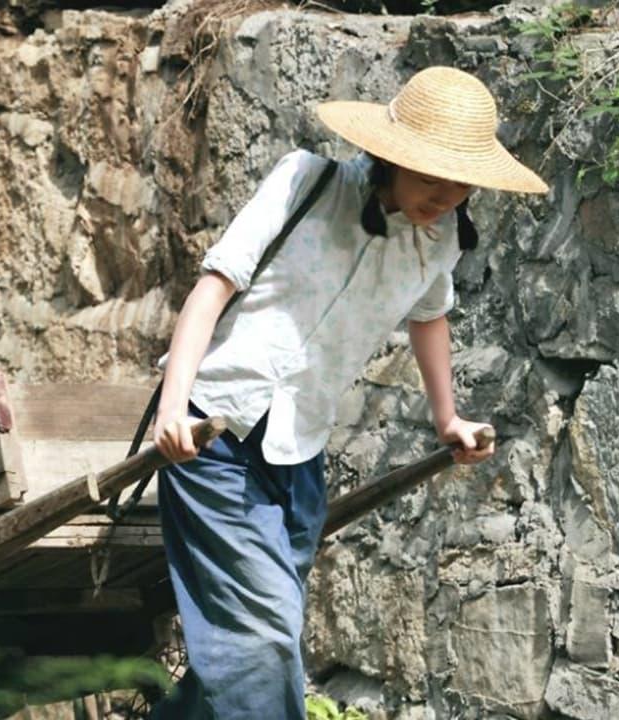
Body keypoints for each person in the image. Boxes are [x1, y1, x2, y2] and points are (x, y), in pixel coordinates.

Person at [149, 67, 549, 719]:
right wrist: (173, 406)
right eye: (430, 175)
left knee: (243, 643)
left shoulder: (440, 236)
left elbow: (430, 315)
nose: (446, 194)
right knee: (264, 641)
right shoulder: (307, 182)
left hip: (298, 455)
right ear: (391, 157)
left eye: (460, 180)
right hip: (212, 439)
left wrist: (447, 417)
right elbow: (212, 289)